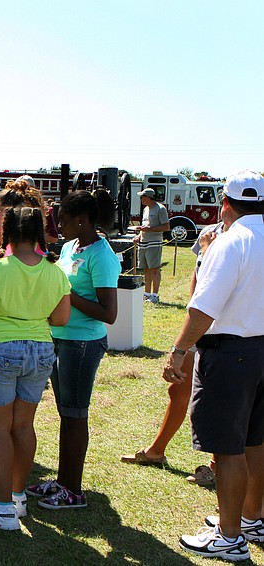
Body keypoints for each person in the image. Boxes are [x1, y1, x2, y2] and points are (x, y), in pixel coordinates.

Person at [165, 170, 264, 562]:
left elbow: (203, 307)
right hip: (260, 350)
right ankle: (251, 516)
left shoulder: (231, 242)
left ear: (225, 203)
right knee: (255, 440)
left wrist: (179, 350)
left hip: (231, 353)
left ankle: (230, 535)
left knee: (226, 448)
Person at [0, 204, 71, 531]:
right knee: (23, 427)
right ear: (39, 232)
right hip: (40, 351)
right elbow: (61, 319)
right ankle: (18, 497)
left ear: (7, 233)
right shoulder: (56, 271)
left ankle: (3, 509)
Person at [26, 190, 119, 510]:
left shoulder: (102, 255)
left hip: (82, 343)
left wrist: (66, 292)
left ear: (81, 220)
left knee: (76, 415)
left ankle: (74, 491)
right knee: (66, 413)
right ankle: (63, 481)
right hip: (59, 338)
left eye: (63, 220)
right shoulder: (68, 246)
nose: (58, 226)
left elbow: (109, 314)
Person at [120, 220, 227, 485]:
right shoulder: (210, 233)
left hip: (231, 332)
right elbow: (198, 282)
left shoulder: (244, 238)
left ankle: (216, 465)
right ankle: (156, 451)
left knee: (223, 398)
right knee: (178, 388)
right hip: (203, 323)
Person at [133, 188, 169, 303]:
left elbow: (166, 227)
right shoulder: (145, 209)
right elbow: (144, 226)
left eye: (142, 197)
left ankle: (155, 295)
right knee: (146, 269)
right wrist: (138, 236)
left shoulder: (161, 209)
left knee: (155, 269)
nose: (141, 199)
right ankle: (147, 293)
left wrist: (150, 229)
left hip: (154, 242)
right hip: (144, 242)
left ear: (148, 197)